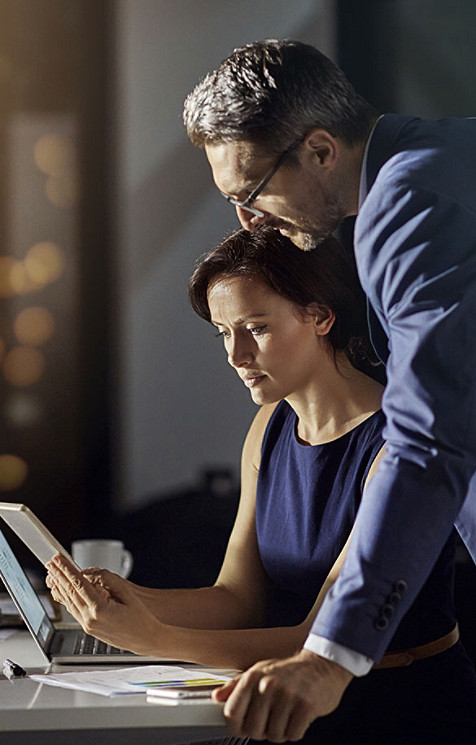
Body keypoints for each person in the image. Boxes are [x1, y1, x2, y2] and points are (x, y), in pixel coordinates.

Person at [47, 228, 476, 743]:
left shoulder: (397, 447)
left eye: (256, 328)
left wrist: (153, 637)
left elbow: (315, 641)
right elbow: (236, 597)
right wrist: (130, 599)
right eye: (225, 333)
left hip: (399, 709)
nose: (236, 354)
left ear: (320, 316)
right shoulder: (271, 423)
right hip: (283, 696)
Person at [182, 39, 476, 741]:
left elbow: (429, 440)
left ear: (319, 149)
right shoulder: (438, 157)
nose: (248, 222)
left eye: (250, 195)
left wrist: (327, 658)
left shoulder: (407, 208)